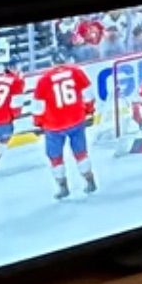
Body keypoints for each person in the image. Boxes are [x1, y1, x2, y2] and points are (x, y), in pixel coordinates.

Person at [28, 53, 99, 198]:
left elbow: (37, 108)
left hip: (54, 125)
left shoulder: (43, 79)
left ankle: (63, 187)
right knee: (81, 153)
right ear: (65, 60)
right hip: (76, 119)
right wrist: (88, 111)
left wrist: (38, 123)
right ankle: (90, 180)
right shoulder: (76, 72)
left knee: (55, 157)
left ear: (51, 63)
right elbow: (89, 95)